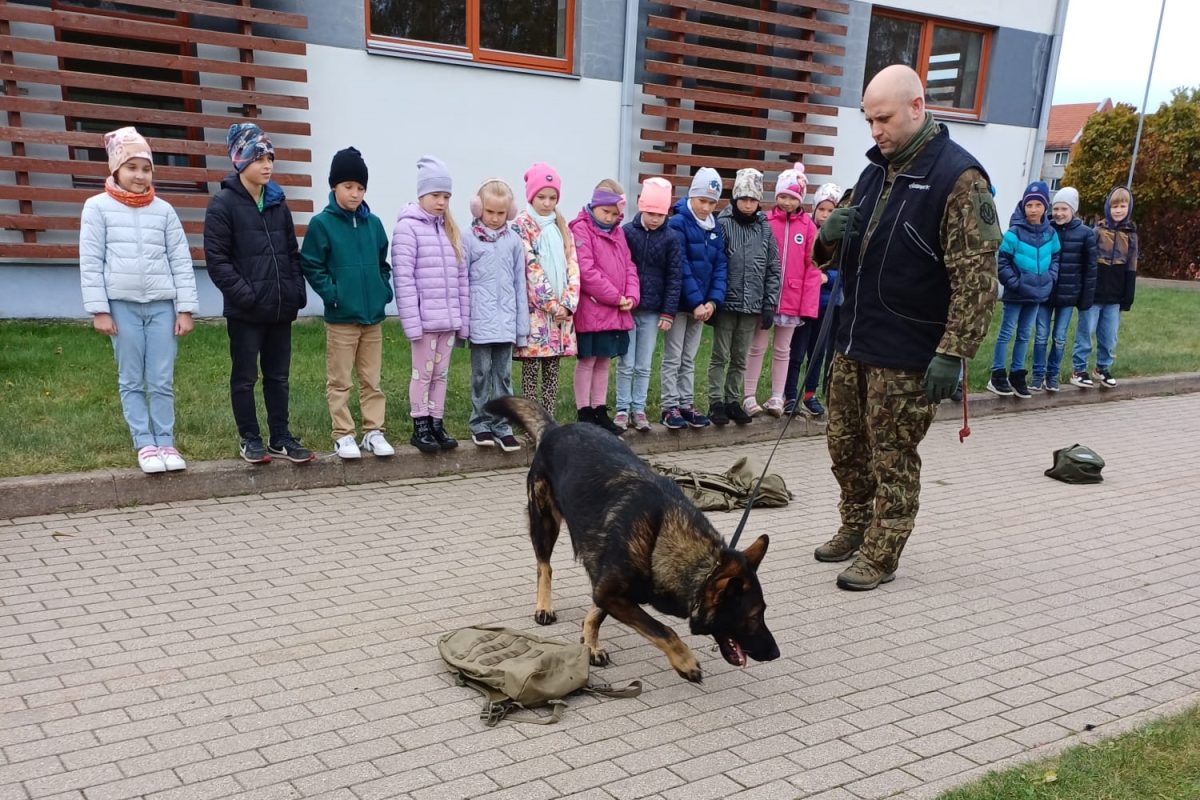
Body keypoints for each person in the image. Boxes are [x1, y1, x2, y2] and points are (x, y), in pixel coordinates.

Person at [814, 64, 1001, 591]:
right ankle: (855, 526)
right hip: (855, 340)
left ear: (917, 108)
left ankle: (882, 551)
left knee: (891, 454)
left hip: (910, 350)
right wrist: (825, 236)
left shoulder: (959, 179)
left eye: (884, 119)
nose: (875, 131)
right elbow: (828, 255)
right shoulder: (875, 171)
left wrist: (954, 350)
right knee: (844, 445)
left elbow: (978, 278)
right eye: (869, 120)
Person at [80, 126, 198, 474]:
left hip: (162, 305)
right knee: (131, 378)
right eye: (131, 167)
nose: (140, 175)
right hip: (122, 306)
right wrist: (100, 310)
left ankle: (165, 440)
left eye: (146, 168)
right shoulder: (97, 208)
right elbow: (91, 261)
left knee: (161, 378)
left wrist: (185, 309)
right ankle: (144, 444)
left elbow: (180, 260)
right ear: (115, 169)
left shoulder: (163, 211)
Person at [205, 123, 314, 465]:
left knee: (279, 377)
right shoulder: (222, 204)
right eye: (259, 158)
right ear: (240, 161)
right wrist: (247, 296)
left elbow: (291, 254)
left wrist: (296, 292)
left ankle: (280, 437)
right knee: (245, 376)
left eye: (270, 157)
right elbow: (217, 261)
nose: (267, 165)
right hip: (246, 311)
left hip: (280, 308)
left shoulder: (279, 203)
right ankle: (249, 437)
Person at [300, 147, 395, 460]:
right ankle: (343, 434)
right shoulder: (322, 225)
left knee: (372, 379)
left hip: (373, 319)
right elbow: (312, 264)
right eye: (348, 187)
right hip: (342, 319)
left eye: (360, 187)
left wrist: (383, 290)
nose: (355, 193)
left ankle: (373, 432)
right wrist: (333, 294)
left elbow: (383, 263)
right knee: (340, 381)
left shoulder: (374, 224)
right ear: (334, 188)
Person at [391, 155, 469, 453]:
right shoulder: (407, 229)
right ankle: (420, 424)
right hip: (424, 322)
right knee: (421, 374)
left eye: (446, 196)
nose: (441, 202)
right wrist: (412, 322)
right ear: (421, 194)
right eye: (436, 195)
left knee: (441, 374)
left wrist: (462, 320)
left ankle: (436, 421)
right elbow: (404, 279)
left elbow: (461, 278)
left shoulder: (450, 231)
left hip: (447, 321)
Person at [569, 179, 640, 434]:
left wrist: (631, 294)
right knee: (587, 360)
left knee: (604, 361)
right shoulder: (581, 230)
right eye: (605, 212)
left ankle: (599, 408)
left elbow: (629, 265)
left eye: (615, 214)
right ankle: (583, 410)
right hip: (593, 308)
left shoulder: (618, 232)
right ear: (595, 205)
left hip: (615, 309)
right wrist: (614, 296)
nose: (610, 218)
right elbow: (586, 271)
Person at [748, 164, 818, 418]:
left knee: (783, 350)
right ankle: (748, 395)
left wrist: (807, 305)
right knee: (757, 346)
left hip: (792, 298)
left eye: (793, 197)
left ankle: (778, 396)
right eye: (783, 196)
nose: (787, 202)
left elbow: (812, 266)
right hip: (765, 298)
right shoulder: (764, 221)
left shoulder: (808, 227)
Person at [711, 168, 780, 426]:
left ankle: (732, 400)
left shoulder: (765, 229)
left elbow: (773, 267)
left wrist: (769, 302)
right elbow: (716, 262)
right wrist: (714, 298)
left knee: (740, 356)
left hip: (752, 304)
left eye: (753, 199)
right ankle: (715, 401)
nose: (748, 204)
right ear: (735, 198)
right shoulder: (723, 223)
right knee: (720, 354)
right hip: (726, 301)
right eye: (744, 199)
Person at [464, 179, 529, 452]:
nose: (494, 218)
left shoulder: (514, 241)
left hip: (505, 324)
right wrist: (463, 325)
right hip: (480, 323)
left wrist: (521, 329)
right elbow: (462, 282)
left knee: (503, 376)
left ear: (509, 212)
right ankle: (479, 422)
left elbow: (519, 285)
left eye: (500, 213)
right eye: (489, 212)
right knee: (481, 374)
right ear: (478, 208)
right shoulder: (467, 239)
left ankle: (502, 425)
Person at [615, 177, 682, 432]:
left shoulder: (671, 239)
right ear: (641, 207)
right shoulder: (627, 233)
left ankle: (639, 409)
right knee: (626, 362)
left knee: (643, 364)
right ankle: (622, 408)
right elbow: (620, 267)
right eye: (651, 213)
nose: (655, 219)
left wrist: (668, 312)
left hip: (654, 312)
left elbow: (674, 276)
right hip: (628, 309)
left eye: (660, 214)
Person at [662, 167, 726, 430]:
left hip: (703, 307)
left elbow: (721, 265)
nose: (707, 207)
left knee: (689, 357)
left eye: (712, 202)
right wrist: (695, 302)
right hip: (681, 304)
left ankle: (686, 403)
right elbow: (682, 266)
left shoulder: (715, 227)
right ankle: (669, 405)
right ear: (692, 195)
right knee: (673, 356)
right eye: (702, 200)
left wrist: (712, 301)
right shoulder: (678, 222)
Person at [513, 163, 579, 417]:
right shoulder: (522, 225)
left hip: (560, 315)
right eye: (541, 197)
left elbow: (572, 263)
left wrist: (568, 303)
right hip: (537, 314)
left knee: (552, 370)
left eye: (552, 197)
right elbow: (531, 269)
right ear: (531, 195)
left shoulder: (560, 225)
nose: (547, 203)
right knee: (531, 370)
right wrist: (552, 304)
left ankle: (548, 418)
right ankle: (531, 419)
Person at [986, 181, 1060, 399]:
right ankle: (997, 374)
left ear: (1045, 207)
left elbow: (1056, 257)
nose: (1033, 209)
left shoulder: (1050, 234)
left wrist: (1050, 277)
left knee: (1025, 334)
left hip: (1037, 294)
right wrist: (1014, 283)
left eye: (1038, 205)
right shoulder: (1014, 233)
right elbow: (1003, 262)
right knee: (1007, 332)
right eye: (1029, 205)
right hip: (1016, 293)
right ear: (1023, 206)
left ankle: (1017, 374)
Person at [1071, 186, 1137, 389]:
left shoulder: (1131, 235)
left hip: (1115, 296)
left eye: (1122, 206)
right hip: (1093, 294)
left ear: (1129, 208)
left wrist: (1128, 296)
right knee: (1086, 333)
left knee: (1109, 336)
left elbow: (1132, 266)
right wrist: (1083, 291)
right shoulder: (1097, 232)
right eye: (1115, 206)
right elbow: (1086, 263)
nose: (1118, 210)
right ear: (1108, 207)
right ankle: (1079, 370)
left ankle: (1102, 368)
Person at [1032, 186, 1096, 392]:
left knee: (1059, 337)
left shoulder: (1086, 234)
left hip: (1069, 295)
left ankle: (1052, 375)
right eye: (1056, 208)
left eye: (1064, 209)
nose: (1059, 213)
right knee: (1041, 335)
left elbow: (1090, 268)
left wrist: (1085, 298)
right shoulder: (1046, 229)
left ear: (1073, 210)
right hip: (1045, 292)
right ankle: (1037, 374)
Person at [797, 182, 845, 415]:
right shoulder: (807, 231)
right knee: (798, 350)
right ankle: (788, 395)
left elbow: (844, 270)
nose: (825, 215)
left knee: (819, 351)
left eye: (830, 211)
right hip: (805, 303)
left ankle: (811, 393)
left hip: (828, 305)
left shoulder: (841, 238)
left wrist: (829, 277)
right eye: (821, 210)